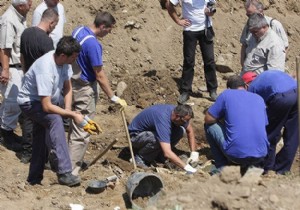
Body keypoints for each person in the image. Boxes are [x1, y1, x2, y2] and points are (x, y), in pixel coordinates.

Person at [17, 36, 87, 186]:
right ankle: (64, 172)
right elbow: (46, 106)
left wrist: (68, 110)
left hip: (43, 103)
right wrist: (73, 115)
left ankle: (34, 179)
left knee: (40, 138)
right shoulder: (46, 68)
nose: (75, 60)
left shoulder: (65, 63)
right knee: (54, 119)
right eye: (74, 57)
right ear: (63, 55)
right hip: (30, 103)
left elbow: (67, 88)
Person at [68, 11, 127, 175]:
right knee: (82, 129)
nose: (109, 33)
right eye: (109, 29)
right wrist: (113, 97)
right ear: (102, 26)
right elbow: (100, 75)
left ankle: (68, 159)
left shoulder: (78, 30)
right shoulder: (93, 45)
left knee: (73, 123)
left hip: (71, 83)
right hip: (85, 88)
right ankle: (71, 170)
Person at [17, 8, 59, 163]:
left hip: (27, 79)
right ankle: (43, 156)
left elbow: (22, 57)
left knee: (27, 118)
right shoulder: (46, 41)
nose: (54, 28)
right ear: (51, 22)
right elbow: (51, 65)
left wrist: (25, 73)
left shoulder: (26, 33)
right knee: (44, 119)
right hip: (41, 83)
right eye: (55, 25)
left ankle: (26, 153)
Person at [204, 75, 269, 174]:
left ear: (229, 88)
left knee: (209, 126)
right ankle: (252, 166)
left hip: (236, 156)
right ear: (246, 86)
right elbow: (264, 124)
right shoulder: (259, 98)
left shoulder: (226, 94)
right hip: (261, 156)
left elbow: (208, 119)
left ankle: (222, 166)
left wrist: (222, 117)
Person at [242, 70, 298, 175]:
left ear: (246, 84)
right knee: (293, 136)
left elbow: (254, 113)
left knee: (269, 134)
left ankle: (266, 167)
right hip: (297, 91)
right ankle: (282, 169)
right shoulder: (265, 77)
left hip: (283, 97)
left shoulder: (252, 88)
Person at [166, 0, 218, 103]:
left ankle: (212, 90)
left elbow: (212, 5)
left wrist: (210, 12)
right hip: (190, 30)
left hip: (206, 29)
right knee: (189, 61)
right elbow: (168, 4)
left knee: (209, 60)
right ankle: (185, 91)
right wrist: (178, 21)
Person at [0, 0, 32, 152]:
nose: (31, 4)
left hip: (18, 67)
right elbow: (4, 48)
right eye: (29, 2)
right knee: (12, 102)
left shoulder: (20, 16)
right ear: (21, 5)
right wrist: (5, 70)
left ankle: (5, 129)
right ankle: (6, 134)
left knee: (13, 102)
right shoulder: (9, 19)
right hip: (11, 67)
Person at [128, 104, 198, 174]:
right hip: (136, 136)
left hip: (151, 131)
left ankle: (159, 155)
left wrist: (193, 153)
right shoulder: (163, 119)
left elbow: (190, 130)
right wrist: (186, 167)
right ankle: (141, 158)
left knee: (180, 131)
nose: (185, 123)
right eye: (184, 121)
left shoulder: (177, 112)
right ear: (177, 116)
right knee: (156, 138)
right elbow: (167, 152)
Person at [240, 0, 288, 67]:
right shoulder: (248, 26)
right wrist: (243, 64)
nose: (249, 18)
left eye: (251, 15)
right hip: (249, 71)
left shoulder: (274, 25)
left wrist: (276, 66)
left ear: (261, 11)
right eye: (247, 15)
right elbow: (244, 45)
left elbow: (284, 48)